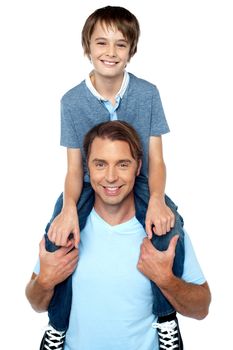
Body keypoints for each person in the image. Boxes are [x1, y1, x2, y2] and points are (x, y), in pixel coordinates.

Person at [35, 5, 187, 349]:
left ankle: (164, 319)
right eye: (101, 43)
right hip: (89, 185)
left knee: (168, 227)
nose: (110, 52)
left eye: (120, 44)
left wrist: (159, 201)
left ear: (132, 51)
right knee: (58, 236)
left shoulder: (148, 93)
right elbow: (75, 169)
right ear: (87, 47)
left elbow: (157, 159)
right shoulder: (71, 102)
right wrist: (70, 206)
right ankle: (58, 325)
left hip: (140, 182)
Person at [26, 121, 211, 350]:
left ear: (138, 167)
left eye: (123, 164)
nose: (111, 177)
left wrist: (166, 280)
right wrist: (45, 281)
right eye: (100, 164)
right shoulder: (66, 228)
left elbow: (201, 309)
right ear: (87, 168)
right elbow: (36, 303)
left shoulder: (163, 228)